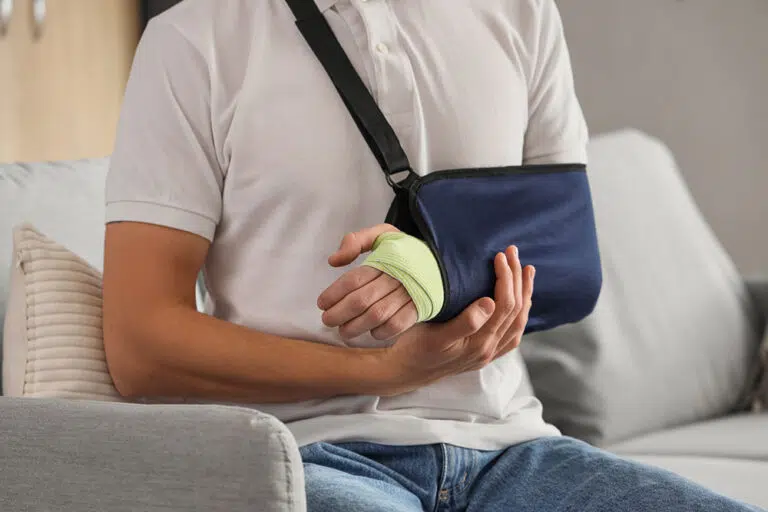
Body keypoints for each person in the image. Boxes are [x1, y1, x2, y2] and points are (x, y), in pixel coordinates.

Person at [102, 1, 761, 510]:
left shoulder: (519, 13)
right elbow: (140, 347)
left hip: (512, 450)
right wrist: (384, 371)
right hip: (306, 453)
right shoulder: (195, 38)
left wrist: (434, 273)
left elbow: (566, 260)